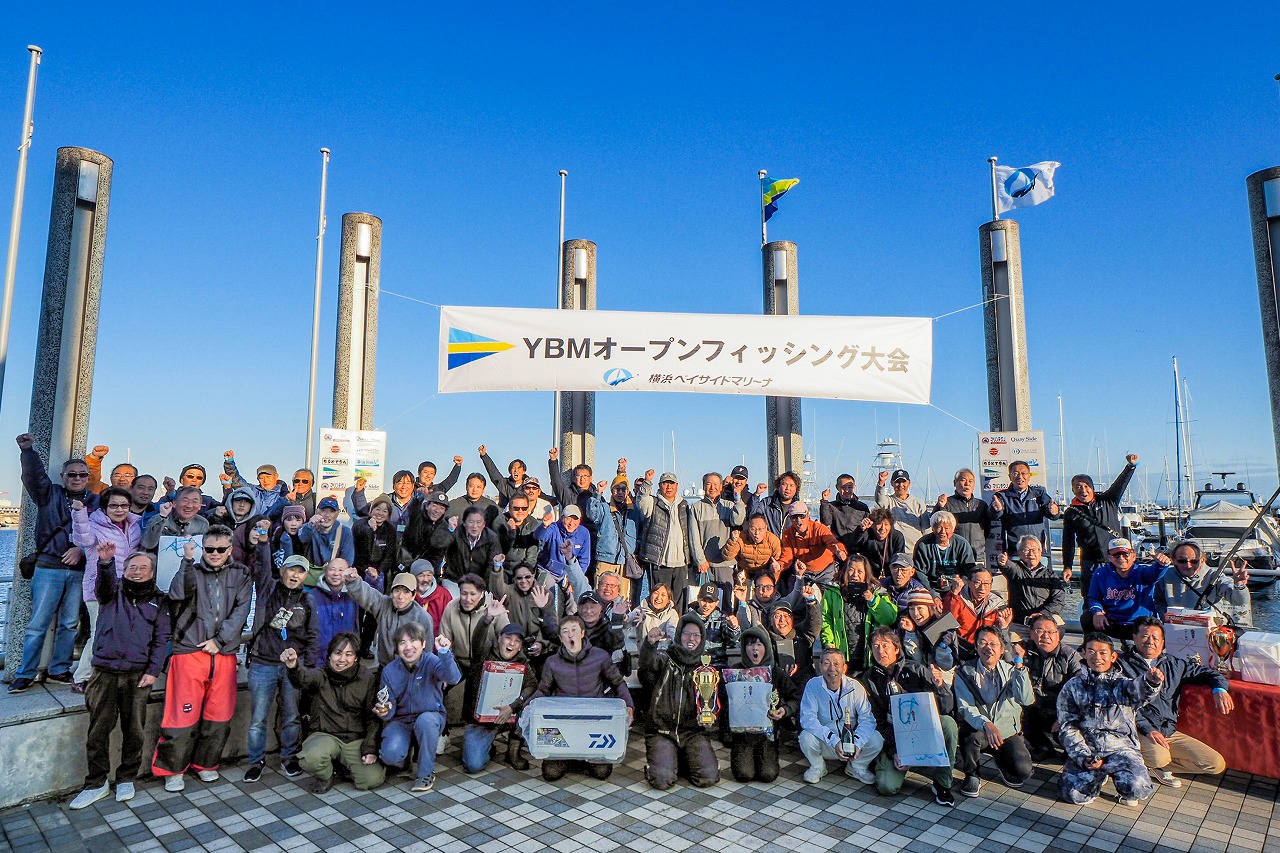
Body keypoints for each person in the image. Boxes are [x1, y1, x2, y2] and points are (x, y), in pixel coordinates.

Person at [68, 545, 170, 809]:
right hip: (104, 671)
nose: (137, 572)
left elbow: (161, 641)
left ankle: (127, 777)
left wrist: (153, 671)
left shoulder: (158, 601)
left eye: (143, 568)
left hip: (137, 675)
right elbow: (102, 586)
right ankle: (96, 783)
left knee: (134, 730)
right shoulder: (112, 592)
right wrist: (105, 562)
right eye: (132, 567)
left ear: (152, 572)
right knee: (98, 731)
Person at [152, 526, 253, 791]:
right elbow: (176, 594)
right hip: (189, 651)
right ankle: (173, 769)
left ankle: (206, 764)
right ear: (203, 549)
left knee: (219, 715)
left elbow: (241, 610)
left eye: (221, 549)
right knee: (181, 716)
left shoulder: (241, 574)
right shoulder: (192, 571)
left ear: (230, 549)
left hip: (223, 653)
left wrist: (219, 642)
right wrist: (186, 561)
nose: (215, 554)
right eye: (209, 549)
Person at [10, 435, 97, 693]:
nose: (77, 478)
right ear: (63, 476)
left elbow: (101, 533)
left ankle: (59, 669)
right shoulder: (49, 494)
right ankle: (24, 673)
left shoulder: (95, 502)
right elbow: (34, 478)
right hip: (48, 568)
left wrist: (80, 550)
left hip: (79, 572)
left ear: (88, 477)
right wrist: (28, 451)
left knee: (70, 623)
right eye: (72, 474)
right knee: (38, 623)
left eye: (82, 474)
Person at [1118, 616, 1230, 787]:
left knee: (1215, 763)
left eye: (1155, 638)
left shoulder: (1174, 664)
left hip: (1168, 731)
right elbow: (1122, 704)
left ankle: (1152, 768)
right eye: (1145, 636)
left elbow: (1210, 674)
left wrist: (1219, 689)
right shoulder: (1121, 665)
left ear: (1163, 642)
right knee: (1159, 756)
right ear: (1134, 638)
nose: (1150, 641)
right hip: (1137, 729)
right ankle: (1143, 763)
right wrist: (1147, 729)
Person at [1058, 633, 1163, 807]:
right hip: (1089, 749)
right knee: (1072, 794)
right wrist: (1084, 757)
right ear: (1083, 653)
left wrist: (1151, 681)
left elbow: (1141, 690)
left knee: (1137, 788)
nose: (1097, 657)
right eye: (1091, 651)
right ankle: (1097, 775)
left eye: (1103, 652)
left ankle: (1119, 775)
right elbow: (1067, 726)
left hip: (1121, 749)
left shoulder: (1124, 684)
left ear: (1113, 656)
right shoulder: (1072, 687)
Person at [528, 614, 634, 782]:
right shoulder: (552, 662)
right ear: (561, 638)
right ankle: (571, 758)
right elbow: (543, 690)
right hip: (563, 721)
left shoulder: (600, 656)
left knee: (602, 773)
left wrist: (629, 704)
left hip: (594, 720)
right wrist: (527, 707)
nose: (570, 635)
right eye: (565, 632)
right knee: (550, 774)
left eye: (574, 630)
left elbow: (618, 682)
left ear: (582, 633)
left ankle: (584, 757)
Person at [859, 627, 957, 806]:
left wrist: (940, 686)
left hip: (922, 731)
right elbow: (877, 722)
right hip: (894, 737)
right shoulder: (869, 679)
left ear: (897, 648)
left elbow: (946, 708)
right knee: (887, 787)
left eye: (885, 645)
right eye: (876, 646)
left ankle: (943, 783)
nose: (881, 651)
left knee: (948, 723)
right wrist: (895, 751)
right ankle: (891, 763)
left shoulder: (916, 669)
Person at [243, 551, 317, 783]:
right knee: (258, 718)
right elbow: (262, 569)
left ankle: (289, 757)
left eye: (300, 571)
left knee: (291, 715)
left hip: (293, 666)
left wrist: (308, 668)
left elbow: (313, 635)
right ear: (282, 570)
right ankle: (255, 761)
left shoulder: (307, 600)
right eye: (291, 569)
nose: (295, 575)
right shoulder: (268, 589)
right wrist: (263, 541)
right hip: (263, 661)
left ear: (305, 576)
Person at [283, 632, 385, 793]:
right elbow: (303, 679)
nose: (342, 659)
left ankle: (345, 766)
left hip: (354, 739)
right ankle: (326, 775)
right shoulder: (320, 675)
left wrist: (370, 748)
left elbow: (372, 717)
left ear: (356, 658)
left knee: (371, 779)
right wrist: (294, 666)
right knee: (310, 758)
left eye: (348, 654)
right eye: (338, 653)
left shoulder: (367, 678)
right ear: (329, 655)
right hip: (325, 735)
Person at [69, 487, 143, 690]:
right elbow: (81, 539)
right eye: (113, 505)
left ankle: (105, 672)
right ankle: (81, 677)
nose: (119, 509)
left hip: (125, 587)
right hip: (98, 587)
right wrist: (79, 514)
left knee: (119, 632)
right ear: (105, 507)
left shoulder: (134, 525)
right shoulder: (94, 523)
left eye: (124, 505)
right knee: (98, 632)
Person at [375, 622, 462, 792]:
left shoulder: (432, 661)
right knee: (390, 755)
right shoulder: (389, 671)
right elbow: (387, 705)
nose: (408, 647)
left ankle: (425, 773)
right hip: (402, 720)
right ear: (397, 648)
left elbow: (453, 678)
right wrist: (384, 711)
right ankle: (405, 759)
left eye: (413, 640)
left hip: (431, 716)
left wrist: (445, 653)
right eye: (402, 642)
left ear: (423, 643)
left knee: (425, 722)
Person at [640, 613, 720, 789]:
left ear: (702, 638)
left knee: (708, 778)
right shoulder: (664, 659)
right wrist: (649, 645)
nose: (691, 638)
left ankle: (680, 759)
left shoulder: (705, 669)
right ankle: (665, 762)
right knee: (662, 781)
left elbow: (712, 702)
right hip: (662, 730)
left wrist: (709, 717)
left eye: (696, 635)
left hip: (693, 732)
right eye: (686, 633)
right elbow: (646, 669)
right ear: (678, 635)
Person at [953, 625, 1035, 796]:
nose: (988, 648)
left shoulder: (1012, 670)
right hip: (980, 729)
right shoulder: (964, 672)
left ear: (1002, 649)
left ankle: (1001, 761)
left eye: (993, 644)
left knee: (1023, 771)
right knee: (970, 737)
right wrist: (986, 724)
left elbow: (1026, 699)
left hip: (1006, 732)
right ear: (976, 646)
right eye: (982, 643)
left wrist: (1019, 665)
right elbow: (965, 707)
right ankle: (972, 774)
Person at [798, 647, 883, 784]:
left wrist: (857, 743)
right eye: (826, 663)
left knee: (876, 739)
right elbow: (808, 719)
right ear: (820, 666)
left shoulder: (856, 687)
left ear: (844, 668)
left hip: (852, 745)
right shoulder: (813, 685)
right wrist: (834, 741)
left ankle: (856, 766)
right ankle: (818, 766)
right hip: (827, 742)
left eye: (837, 664)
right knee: (805, 737)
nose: (832, 668)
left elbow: (868, 720)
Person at [461, 622, 538, 774]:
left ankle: (513, 751)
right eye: (508, 638)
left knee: (530, 709)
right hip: (481, 722)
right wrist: (487, 618)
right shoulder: (483, 654)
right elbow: (477, 639)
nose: (512, 644)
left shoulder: (521, 662)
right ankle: (488, 747)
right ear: (499, 638)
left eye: (517, 641)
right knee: (473, 765)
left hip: (508, 717)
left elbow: (532, 685)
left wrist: (514, 706)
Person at [727, 626, 799, 783]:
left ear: (766, 647)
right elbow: (725, 702)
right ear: (744, 647)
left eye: (759, 644)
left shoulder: (775, 672)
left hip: (768, 734)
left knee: (768, 775)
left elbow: (796, 697)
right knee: (744, 774)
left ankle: (766, 755)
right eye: (750, 644)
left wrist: (784, 710)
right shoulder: (735, 673)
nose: (755, 648)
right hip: (742, 735)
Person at [1061, 454, 1139, 597]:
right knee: (1091, 596)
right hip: (1091, 562)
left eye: (1086, 486)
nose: (1083, 490)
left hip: (1115, 559)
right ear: (1073, 490)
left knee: (1119, 594)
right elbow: (1068, 542)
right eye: (1078, 487)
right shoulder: (1071, 512)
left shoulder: (1108, 500)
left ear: (1092, 487)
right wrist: (1068, 566)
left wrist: (1130, 467)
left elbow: (1120, 484)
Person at [636, 470, 702, 608]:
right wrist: (647, 483)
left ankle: (677, 628)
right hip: (660, 562)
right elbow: (641, 502)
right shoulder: (652, 503)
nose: (669, 487)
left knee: (679, 602)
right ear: (659, 485)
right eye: (665, 483)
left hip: (681, 563)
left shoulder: (684, 506)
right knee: (659, 600)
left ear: (677, 485)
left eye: (672, 483)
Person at [344, 568, 434, 667]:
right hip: (385, 666)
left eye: (406, 592)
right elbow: (368, 594)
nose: (400, 596)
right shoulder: (384, 605)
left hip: (411, 671)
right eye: (397, 590)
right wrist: (353, 581)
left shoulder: (423, 618)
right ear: (391, 593)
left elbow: (427, 652)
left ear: (413, 596)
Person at [1022, 614, 1081, 761]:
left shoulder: (1070, 656)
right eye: (1039, 631)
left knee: (1072, 754)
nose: (1045, 636)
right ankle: (1043, 747)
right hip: (1034, 708)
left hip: (1061, 710)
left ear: (1058, 634)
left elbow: (1080, 691)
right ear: (1031, 634)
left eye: (1050, 632)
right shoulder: (1024, 652)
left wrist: (1064, 717)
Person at [1086, 538, 1169, 641]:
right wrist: (1097, 612)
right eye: (1116, 555)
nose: (1121, 558)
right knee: (1087, 618)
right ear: (1109, 557)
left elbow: (1155, 573)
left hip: (1141, 623)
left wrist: (1162, 564)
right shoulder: (1100, 573)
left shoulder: (1143, 572)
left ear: (1133, 556)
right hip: (1112, 621)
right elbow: (1094, 597)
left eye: (1125, 554)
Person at [689, 472, 747, 602]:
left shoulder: (729, 505)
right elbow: (693, 537)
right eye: (708, 484)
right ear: (704, 486)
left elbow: (738, 520)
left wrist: (738, 499)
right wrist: (700, 560)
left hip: (725, 564)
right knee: (704, 602)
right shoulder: (696, 508)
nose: (712, 487)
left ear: (721, 487)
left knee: (726, 602)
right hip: (705, 565)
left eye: (716, 484)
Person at [989, 460, 1060, 566]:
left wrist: (1054, 511)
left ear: (1029, 476)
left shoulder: (1040, 494)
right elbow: (993, 515)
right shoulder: (1002, 496)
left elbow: (1052, 515)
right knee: (1016, 582)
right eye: (1015, 473)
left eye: (1023, 473)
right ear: (1010, 477)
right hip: (1015, 552)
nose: (1020, 477)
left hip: (1038, 552)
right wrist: (996, 510)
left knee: (1040, 582)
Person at [1155, 541, 1250, 618]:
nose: (1188, 565)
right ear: (1173, 560)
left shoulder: (1215, 576)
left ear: (1203, 560)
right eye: (1182, 561)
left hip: (1211, 630)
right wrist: (1166, 619)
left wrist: (1239, 585)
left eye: (1194, 561)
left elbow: (1240, 602)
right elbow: (1159, 602)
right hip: (1175, 627)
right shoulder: (1165, 576)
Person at [835, 554, 898, 669]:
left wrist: (873, 600)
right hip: (843, 656)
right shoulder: (834, 591)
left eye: (860, 572)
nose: (855, 575)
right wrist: (831, 646)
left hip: (869, 656)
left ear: (866, 574)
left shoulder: (877, 591)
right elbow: (826, 619)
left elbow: (889, 618)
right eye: (851, 570)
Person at [930, 469, 996, 568]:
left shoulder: (981, 505)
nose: (967, 484)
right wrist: (940, 507)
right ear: (954, 483)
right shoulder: (947, 503)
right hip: (954, 554)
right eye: (963, 480)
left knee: (977, 581)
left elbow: (987, 529)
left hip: (978, 556)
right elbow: (935, 523)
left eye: (970, 481)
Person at [943, 568, 1014, 659]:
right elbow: (947, 624)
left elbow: (1003, 643)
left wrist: (1004, 626)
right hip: (961, 651)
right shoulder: (957, 598)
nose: (982, 588)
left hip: (986, 652)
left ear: (991, 585)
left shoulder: (998, 605)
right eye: (977, 583)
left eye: (986, 584)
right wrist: (954, 594)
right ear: (968, 582)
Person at [997, 535, 1069, 625]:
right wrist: (1004, 562)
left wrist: (1042, 613)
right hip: (1020, 621)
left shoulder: (1050, 575)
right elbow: (1009, 567)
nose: (1031, 554)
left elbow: (1058, 600)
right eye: (1026, 550)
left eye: (1034, 550)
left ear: (1040, 552)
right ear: (1019, 553)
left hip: (1044, 618)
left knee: (1059, 627)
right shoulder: (1016, 570)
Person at [777, 501, 846, 595]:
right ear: (790, 518)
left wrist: (840, 551)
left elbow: (832, 542)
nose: (798, 521)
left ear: (808, 515)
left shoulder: (819, 529)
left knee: (833, 597)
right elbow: (786, 557)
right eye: (794, 517)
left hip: (826, 570)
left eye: (802, 516)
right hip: (804, 571)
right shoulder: (787, 535)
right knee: (795, 597)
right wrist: (779, 566)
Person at [533, 504, 592, 600]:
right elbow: (539, 537)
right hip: (548, 571)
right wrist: (544, 526)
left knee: (576, 597)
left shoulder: (584, 533)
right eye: (568, 518)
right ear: (562, 518)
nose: (571, 523)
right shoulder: (553, 527)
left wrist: (575, 577)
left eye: (575, 519)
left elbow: (584, 560)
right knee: (551, 597)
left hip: (568, 573)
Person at [308, 558, 362, 664]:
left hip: (346, 660)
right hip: (318, 661)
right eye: (332, 569)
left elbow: (373, 598)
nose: (336, 573)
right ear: (325, 571)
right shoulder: (311, 596)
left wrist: (374, 580)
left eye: (341, 570)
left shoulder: (354, 595)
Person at [911, 510, 977, 593]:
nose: (943, 531)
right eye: (938, 527)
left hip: (957, 586)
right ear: (933, 528)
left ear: (953, 529)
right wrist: (932, 593)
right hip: (930, 587)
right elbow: (919, 571)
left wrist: (961, 583)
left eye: (946, 528)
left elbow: (969, 569)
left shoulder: (962, 544)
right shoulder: (923, 544)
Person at [352, 496, 401, 596]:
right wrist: (369, 528)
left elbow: (389, 555)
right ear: (371, 510)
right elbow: (356, 548)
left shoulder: (390, 529)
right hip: (360, 571)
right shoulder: (359, 524)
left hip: (379, 574)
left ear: (388, 515)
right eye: (377, 509)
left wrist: (378, 570)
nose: (380, 513)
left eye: (385, 511)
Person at [141, 486, 210, 553]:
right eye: (185, 500)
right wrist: (162, 517)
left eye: (195, 501)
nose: (189, 505)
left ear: (199, 506)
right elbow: (148, 545)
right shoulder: (158, 518)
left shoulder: (202, 523)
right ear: (174, 503)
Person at [221, 452, 288, 519]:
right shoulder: (251, 491)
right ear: (257, 479)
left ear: (276, 476)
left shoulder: (285, 495)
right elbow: (236, 480)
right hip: (251, 528)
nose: (265, 480)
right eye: (262, 478)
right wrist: (229, 462)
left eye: (268, 477)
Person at [875, 469, 930, 552]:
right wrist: (881, 482)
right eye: (897, 482)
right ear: (892, 483)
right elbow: (880, 499)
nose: (900, 485)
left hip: (916, 551)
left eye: (903, 482)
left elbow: (927, 530)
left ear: (909, 483)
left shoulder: (919, 503)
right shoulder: (889, 502)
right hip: (896, 551)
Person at [688, 582, 740, 668]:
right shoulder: (688, 618)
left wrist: (733, 628)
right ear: (698, 599)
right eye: (704, 600)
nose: (706, 605)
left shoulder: (722, 618)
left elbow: (732, 641)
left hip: (717, 665)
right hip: (693, 665)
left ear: (717, 602)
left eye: (711, 602)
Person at [819, 474, 871, 557]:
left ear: (854, 487)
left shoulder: (862, 507)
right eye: (843, 487)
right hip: (838, 550)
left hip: (858, 550)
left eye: (850, 487)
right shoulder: (831, 506)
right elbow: (825, 522)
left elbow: (869, 531)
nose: (846, 490)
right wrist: (824, 502)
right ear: (837, 487)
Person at [722, 514, 782, 583]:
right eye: (753, 529)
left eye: (760, 529)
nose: (756, 533)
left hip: (764, 573)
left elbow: (777, 563)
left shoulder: (773, 541)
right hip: (744, 572)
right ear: (748, 528)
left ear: (765, 528)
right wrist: (733, 541)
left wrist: (774, 580)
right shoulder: (741, 537)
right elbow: (728, 557)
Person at [298, 497, 356, 567]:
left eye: (332, 511)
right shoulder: (308, 527)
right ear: (316, 511)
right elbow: (302, 538)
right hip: (311, 572)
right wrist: (310, 526)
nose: (327, 515)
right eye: (323, 510)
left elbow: (347, 561)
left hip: (334, 573)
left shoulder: (345, 532)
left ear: (337, 513)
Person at [853, 507, 906, 580]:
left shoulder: (897, 537)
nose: (883, 528)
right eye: (879, 524)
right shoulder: (867, 534)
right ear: (872, 525)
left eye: (886, 524)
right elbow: (855, 542)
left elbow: (898, 559)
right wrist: (861, 529)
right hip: (869, 575)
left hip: (891, 576)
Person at [402, 490, 451, 565]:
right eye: (434, 505)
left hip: (428, 568)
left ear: (444, 511)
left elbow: (438, 553)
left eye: (441, 508)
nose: (437, 510)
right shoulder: (417, 517)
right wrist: (420, 496)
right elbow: (412, 508)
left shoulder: (444, 526)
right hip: (407, 563)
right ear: (427, 506)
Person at [478, 444, 529, 509]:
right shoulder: (504, 484)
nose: (516, 470)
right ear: (510, 471)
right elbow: (493, 472)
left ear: (524, 471)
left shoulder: (530, 486)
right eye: (513, 468)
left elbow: (541, 496)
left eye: (519, 468)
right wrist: (484, 456)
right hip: (505, 517)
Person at [413, 559, 454, 639]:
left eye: (429, 575)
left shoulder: (443, 595)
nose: (425, 579)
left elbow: (451, 621)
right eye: (421, 576)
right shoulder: (407, 595)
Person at [760, 471, 803, 538]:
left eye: (791, 485)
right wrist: (756, 495)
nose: (787, 488)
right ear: (778, 486)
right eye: (784, 484)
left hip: (790, 547)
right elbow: (753, 516)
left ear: (796, 489)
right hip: (770, 546)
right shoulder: (766, 503)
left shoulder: (800, 509)